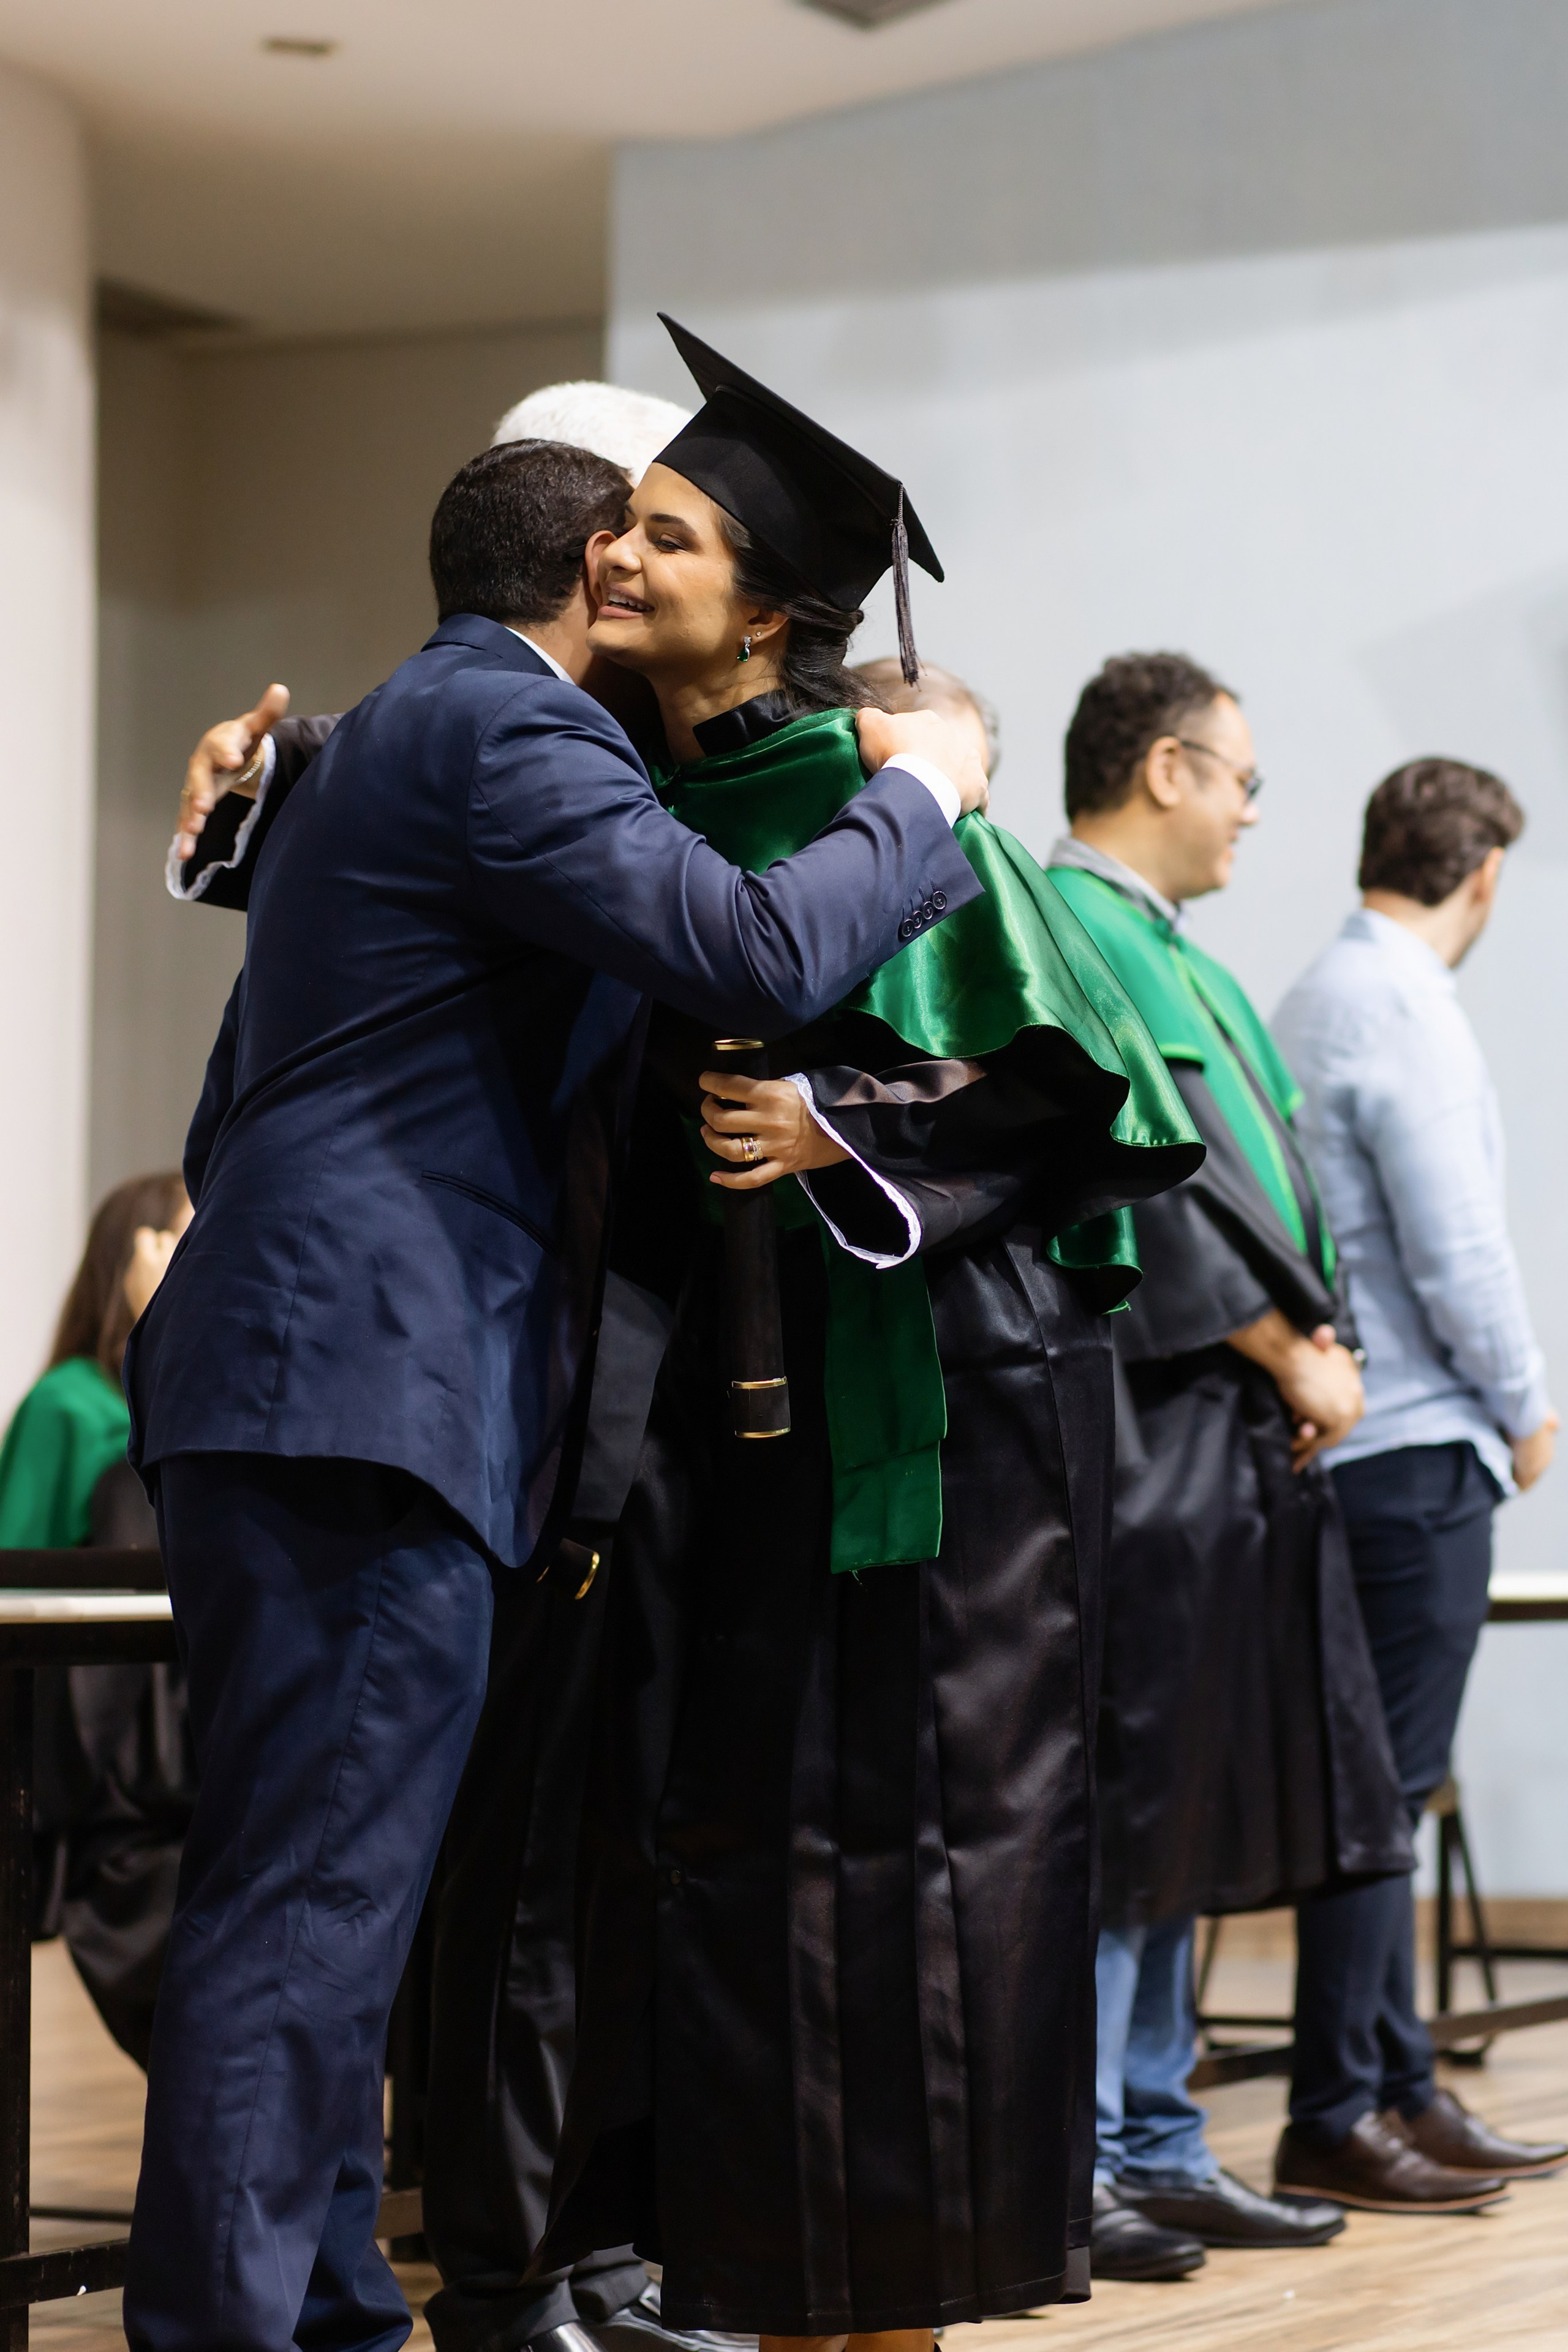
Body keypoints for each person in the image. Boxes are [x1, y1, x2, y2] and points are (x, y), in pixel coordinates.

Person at [121, 407, 989, 2352]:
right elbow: (757, 945)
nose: (664, 571)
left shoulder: (390, 734)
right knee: (304, 1911)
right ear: (597, 565)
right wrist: (930, 790)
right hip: (366, 1377)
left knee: (331, 1904)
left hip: (309, 1369)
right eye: (653, 534)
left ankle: (333, 2311)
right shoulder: (511, 729)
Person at [532, 318, 1202, 2351]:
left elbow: (1107, 1111)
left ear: (773, 614)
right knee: (733, 1876)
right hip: (709, 1460)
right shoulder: (640, 790)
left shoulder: (896, 806)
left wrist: (849, 1115)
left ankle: (892, 2313)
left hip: (916, 1470)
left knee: (910, 1878)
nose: (615, 556)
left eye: (663, 533)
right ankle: (759, 2294)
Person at [1041, 653, 1414, 2278]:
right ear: (1170, 769)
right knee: (1131, 1796)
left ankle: (1160, 2133)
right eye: (1244, 780)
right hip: (1145, 1422)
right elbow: (1147, 1180)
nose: (1256, 811)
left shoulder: (1158, 945)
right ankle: (1097, 2153)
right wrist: (1284, 1346)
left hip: (1216, 1430)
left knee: (1183, 1793)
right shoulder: (1072, 928)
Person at [1273, 758, 1567, 2208]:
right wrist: (1524, 1402)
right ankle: (1337, 2105)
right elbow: (1459, 1249)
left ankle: (1394, 2081)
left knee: (1376, 1789)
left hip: (1351, 1447)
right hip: (1418, 1441)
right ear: (1485, 874)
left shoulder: (1319, 991)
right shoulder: (1407, 1010)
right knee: (1382, 1794)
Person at [0, 1172, 195, 2062]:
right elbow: (18, 1565)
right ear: (134, 1253)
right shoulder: (71, 1404)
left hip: (173, 1734)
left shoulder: (185, 1404)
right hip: (93, 1752)